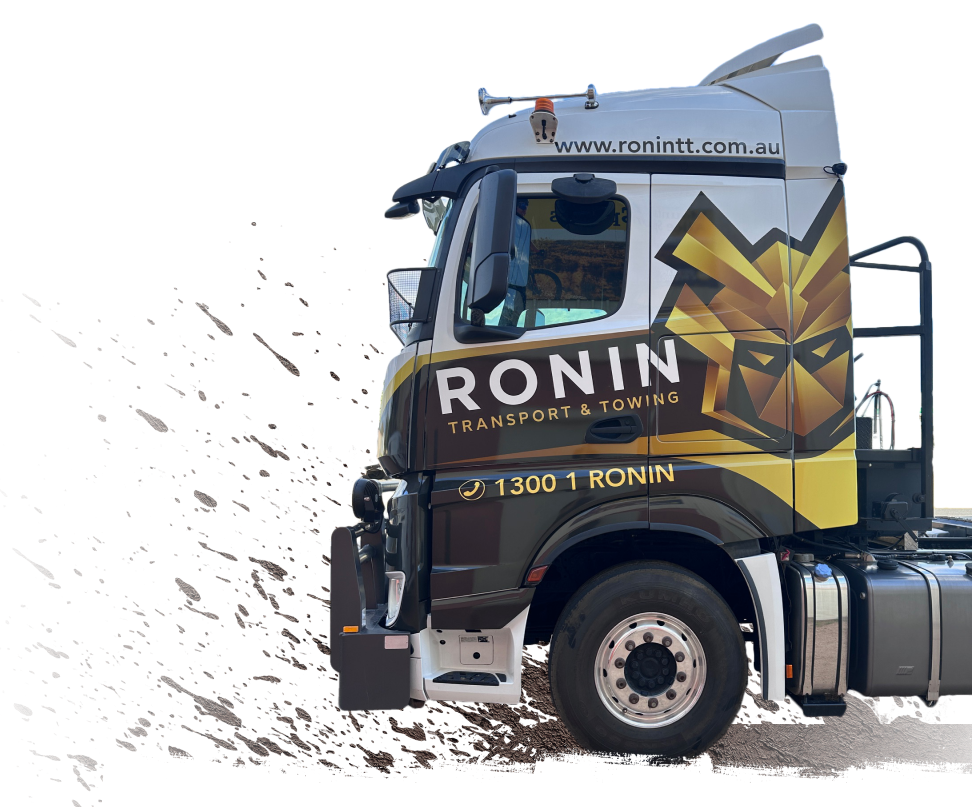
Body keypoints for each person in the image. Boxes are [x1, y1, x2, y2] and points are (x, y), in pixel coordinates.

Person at [499, 197, 531, 326]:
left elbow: (527, 242)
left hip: (520, 273)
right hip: (509, 276)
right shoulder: (510, 223)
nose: (524, 210)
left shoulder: (523, 226)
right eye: (522, 206)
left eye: (526, 207)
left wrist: (537, 251)